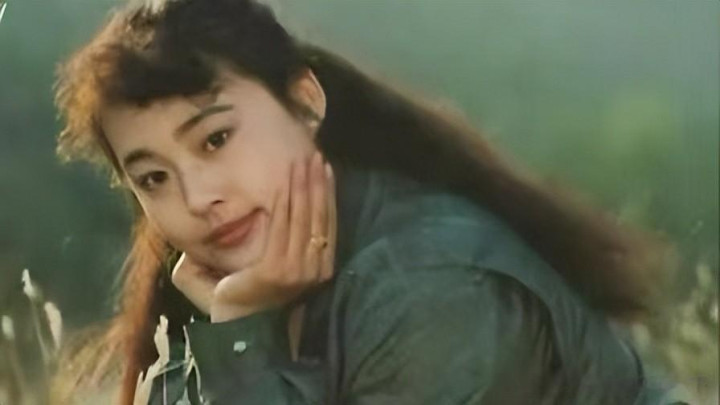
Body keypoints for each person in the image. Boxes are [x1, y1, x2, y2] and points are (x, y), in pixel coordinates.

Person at [52, 0, 687, 404]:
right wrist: (235, 328)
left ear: (305, 104)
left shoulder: (434, 291)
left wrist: (243, 342)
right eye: (153, 179)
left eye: (216, 139)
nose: (197, 197)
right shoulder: (216, 289)